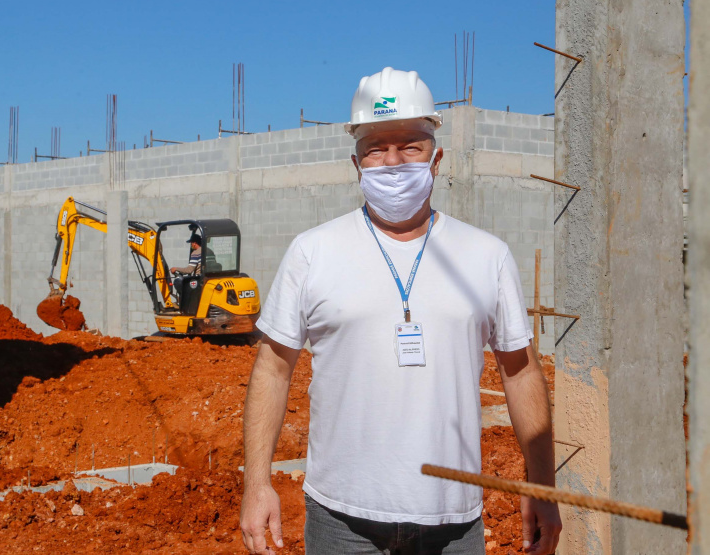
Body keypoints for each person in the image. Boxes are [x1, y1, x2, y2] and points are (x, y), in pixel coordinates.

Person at [240, 67, 561, 555]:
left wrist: (541, 486)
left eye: (410, 144)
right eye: (376, 147)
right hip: (339, 520)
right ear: (356, 163)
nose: (393, 161)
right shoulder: (313, 252)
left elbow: (519, 372)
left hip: (452, 521)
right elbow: (273, 368)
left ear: (436, 159)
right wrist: (257, 482)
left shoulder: (485, 255)